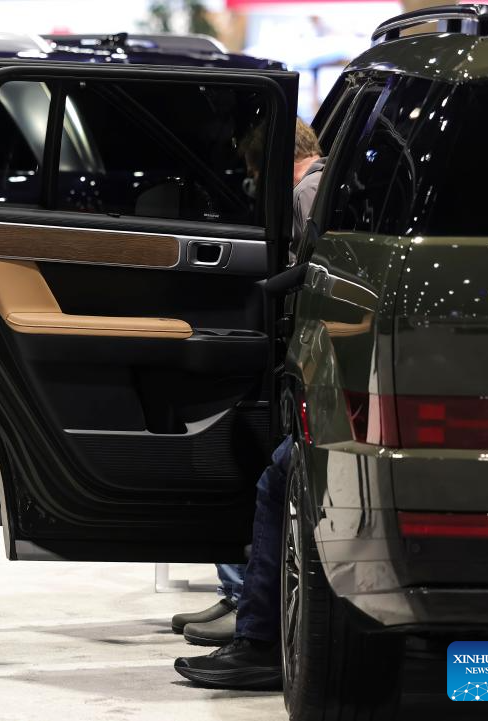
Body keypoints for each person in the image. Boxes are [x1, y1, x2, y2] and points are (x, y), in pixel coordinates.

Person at [174, 119, 324, 688]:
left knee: (263, 470)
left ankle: (255, 630)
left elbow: (310, 279)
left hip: (312, 364)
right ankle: (242, 601)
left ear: (268, 164)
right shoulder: (323, 186)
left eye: (252, 169)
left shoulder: (307, 194)